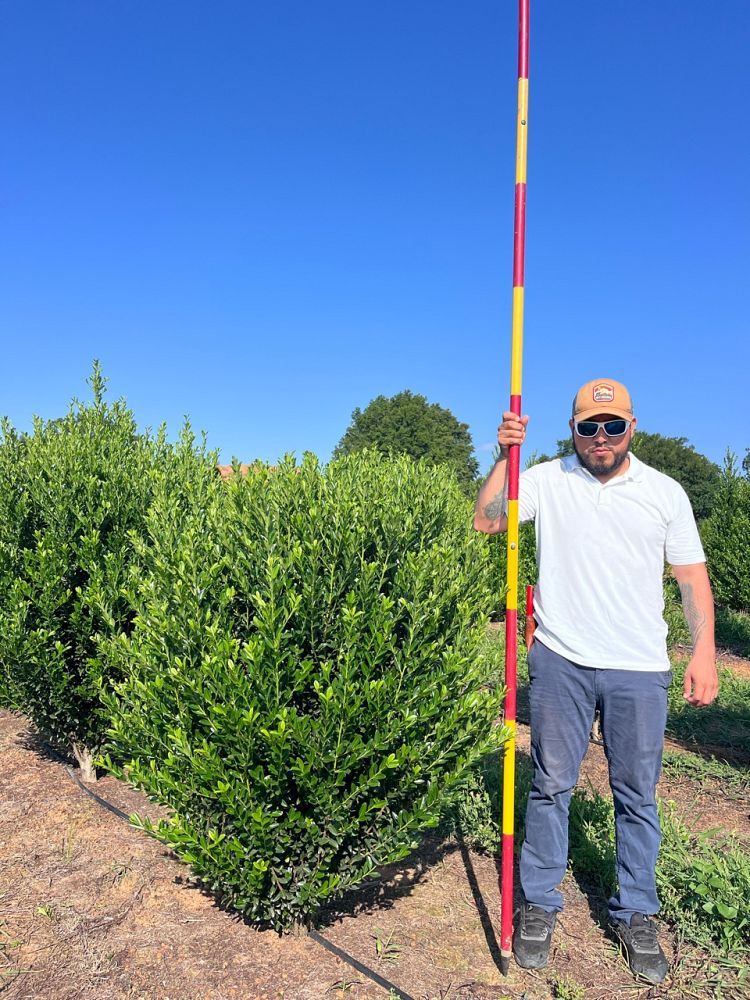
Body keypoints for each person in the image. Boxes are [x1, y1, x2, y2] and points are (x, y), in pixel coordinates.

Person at [473, 378, 718, 984]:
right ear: (573, 430)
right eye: (588, 427)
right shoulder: (549, 481)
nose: (600, 438)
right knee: (552, 783)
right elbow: (486, 522)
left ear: (632, 427)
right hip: (561, 660)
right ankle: (540, 904)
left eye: (612, 426)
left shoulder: (665, 492)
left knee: (637, 794)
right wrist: (505, 455)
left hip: (640, 667)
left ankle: (636, 912)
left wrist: (705, 650)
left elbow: (690, 577)